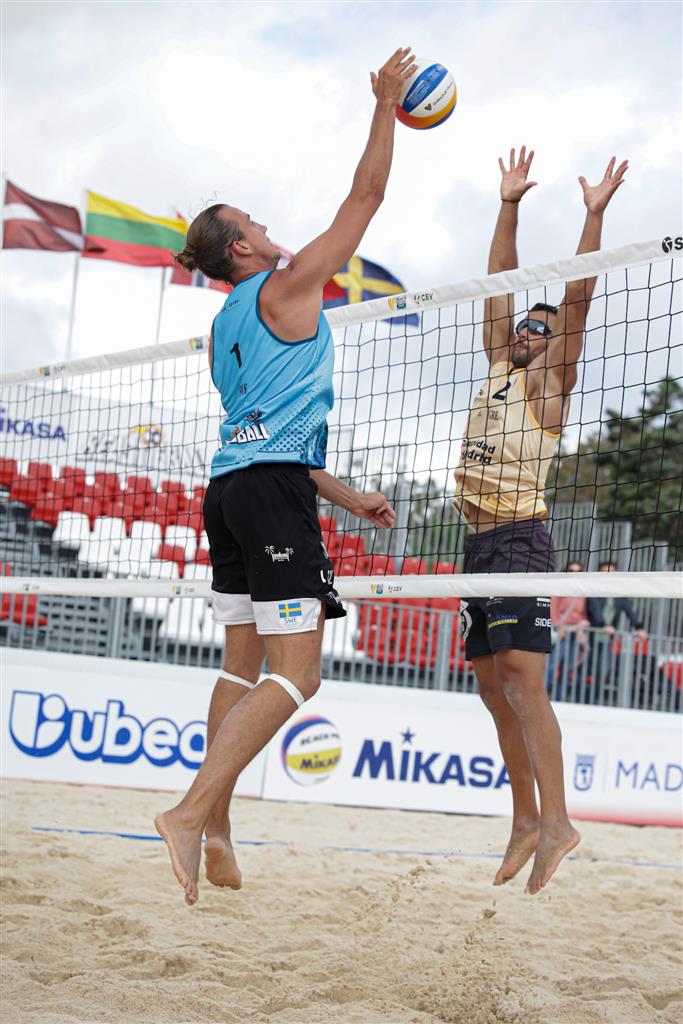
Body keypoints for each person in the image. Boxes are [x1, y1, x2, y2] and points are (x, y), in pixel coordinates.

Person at [154, 49, 416, 905]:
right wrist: (385, 105)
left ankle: (216, 828)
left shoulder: (224, 323)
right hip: (266, 496)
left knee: (240, 668)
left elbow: (268, 436)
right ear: (241, 246)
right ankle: (189, 812)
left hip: (230, 492)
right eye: (254, 223)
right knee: (299, 675)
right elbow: (366, 198)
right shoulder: (284, 286)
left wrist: (345, 496)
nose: (269, 227)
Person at [453, 146, 628, 894]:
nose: (527, 329)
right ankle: (525, 820)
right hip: (475, 542)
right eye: (525, 324)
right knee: (492, 689)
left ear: (558, 349)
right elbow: (500, 281)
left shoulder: (550, 386)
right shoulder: (501, 364)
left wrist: (592, 217)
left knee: (524, 682)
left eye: (539, 328)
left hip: (519, 536)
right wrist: (508, 205)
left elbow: (577, 298)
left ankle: (556, 822)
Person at [585, 560, 648, 697]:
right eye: (604, 572)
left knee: (603, 670)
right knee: (586, 668)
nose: (608, 575)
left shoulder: (619, 594)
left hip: (606, 638)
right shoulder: (593, 590)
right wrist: (603, 625)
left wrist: (639, 627)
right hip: (589, 636)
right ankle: (584, 698)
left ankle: (594, 698)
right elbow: (595, 609)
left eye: (611, 572)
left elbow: (630, 611)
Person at [545, 560, 589, 700]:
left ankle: (560, 698)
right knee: (551, 666)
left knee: (568, 669)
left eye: (578, 571)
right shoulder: (560, 587)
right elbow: (552, 608)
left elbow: (585, 612)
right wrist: (558, 627)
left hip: (576, 634)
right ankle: (543, 696)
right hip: (561, 632)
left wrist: (583, 625)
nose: (574, 573)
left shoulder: (584, 590)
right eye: (571, 570)